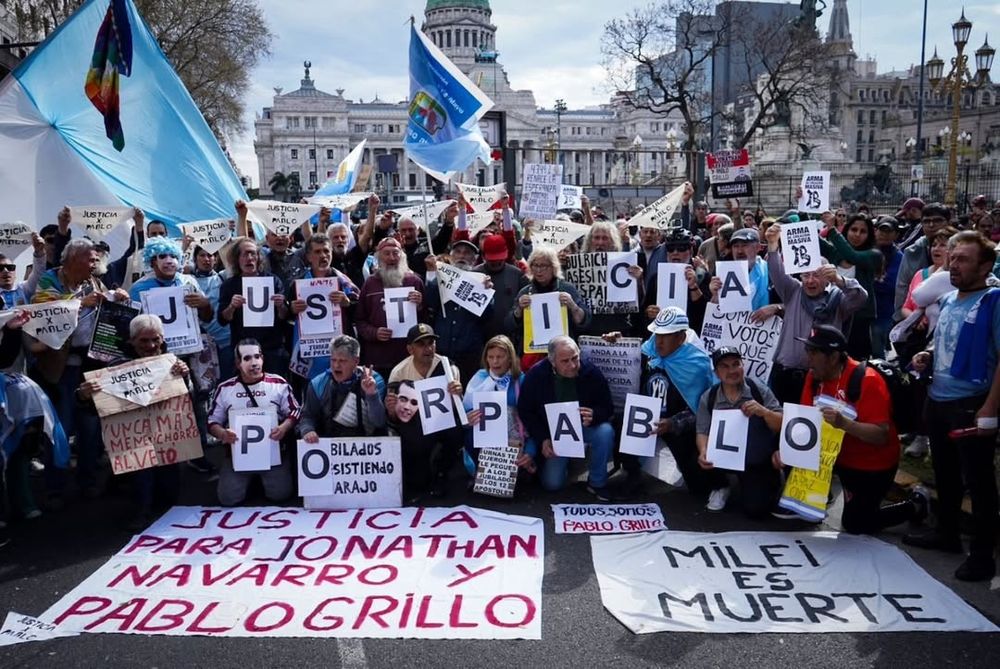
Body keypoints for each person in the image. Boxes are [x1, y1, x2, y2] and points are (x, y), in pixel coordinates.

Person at [904, 231, 1000, 582]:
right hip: (938, 399)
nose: (953, 265)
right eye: (952, 258)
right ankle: (946, 533)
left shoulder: (994, 301)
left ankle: (982, 554)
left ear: (985, 266)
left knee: (979, 481)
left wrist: (990, 407)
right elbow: (944, 342)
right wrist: (926, 355)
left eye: (963, 260)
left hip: (972, 404)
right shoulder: (946, 300)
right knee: (944, 473)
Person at [791, 325, 927, 535]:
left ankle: (916, 505)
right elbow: (805, 421)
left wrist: (845, 424)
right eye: (808, 351)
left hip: (871, 464)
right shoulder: (813, 378)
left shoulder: (868, 381)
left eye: (814, 352)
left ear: (834, 357)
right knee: (802, 507)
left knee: (856, 523)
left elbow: (881, 435)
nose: (808, 358)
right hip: (837, 459)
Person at [76, 314, 191, 529]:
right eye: (143, 341)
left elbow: (187, 399)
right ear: (131, 341)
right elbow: (94, 408)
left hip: (166, 436)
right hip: (135, 440)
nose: (150, 345)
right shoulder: (116, 368)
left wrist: (184, 376)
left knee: (169, 497)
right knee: (142, 475)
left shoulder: (171, 363)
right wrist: (84, 395)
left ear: (163, 339)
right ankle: (140, 509)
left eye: (155, 340)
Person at [764, 222, 868, 403]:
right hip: (785, 374)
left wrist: (840, 280)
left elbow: (861, 297)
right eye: (805, 275)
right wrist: (773, 245)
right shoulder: (793, 291)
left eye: (816, 275)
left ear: (827, 277)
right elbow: (776, 272)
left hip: (820, 378)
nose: (810, 280)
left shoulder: (838, 299)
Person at [623, 306, 720, 499]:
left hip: (678, 425)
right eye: (657, 334)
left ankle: (713, 483)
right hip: (645, 417)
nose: (658, 341)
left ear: (680, 336)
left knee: (699, 489)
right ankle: (632, 476)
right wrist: (616, 341)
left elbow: (701, 412)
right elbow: (625, 359)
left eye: (665, 335)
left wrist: (673, 424)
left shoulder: (696, 363)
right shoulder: (649, 348)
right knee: (618, 427)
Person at [517, 335, 616, 499]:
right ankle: (567, 463)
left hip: (583, 427)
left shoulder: (591, 372)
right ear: (552, 361)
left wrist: (595, 415)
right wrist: (542, 439)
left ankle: (597, 483)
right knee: (552, 484)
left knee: (605, 431)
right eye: (565, 361)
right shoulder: (536, 375)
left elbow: (607, 406)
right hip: (553, 434)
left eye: (575, 358)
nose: (572, 365)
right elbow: (526, 410)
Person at [207, 339, 300, 507]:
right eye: (247, 358)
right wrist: (222, 434)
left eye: (257, 357)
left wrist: (284, 427)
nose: (254, 363)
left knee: (280, 495)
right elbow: (212, 421)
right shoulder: (225, 388)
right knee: (228, 499)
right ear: (237, 363)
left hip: (273, 453)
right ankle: (249, 482)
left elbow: (295, 411)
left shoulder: (278, 384)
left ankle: (262, 480)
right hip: (238, 456)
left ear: (263, 358)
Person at [695, 346, 783, 516]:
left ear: (743, 366)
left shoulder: (758, 389)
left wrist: (764, 412)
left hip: (755, 460)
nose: (732, 370)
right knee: (695, 458)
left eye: (736, 364)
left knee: (757, 510)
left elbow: (781, 424)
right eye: (725, 366)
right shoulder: (709, 397)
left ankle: (771, 481)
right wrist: (703, 451)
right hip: (723, 459)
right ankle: (721, 485)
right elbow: (702, 431)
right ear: (716, 373)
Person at [462, 335, 537, 482]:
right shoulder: (479, 378)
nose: (495, 361)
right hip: (486, 438)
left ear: (510, 358)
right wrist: (468, 417)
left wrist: (530, 451)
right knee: (470, 436)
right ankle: (480, 474)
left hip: (515, 439)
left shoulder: (521, 380)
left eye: (500, 357)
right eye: (491, 357)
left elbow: (533, 418)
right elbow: (465, 412)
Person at [507, 247, 591, 369]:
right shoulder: (525, 292)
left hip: (563, 353)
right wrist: (519, 310)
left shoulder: (567, 288)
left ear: (553, 267)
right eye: (535, 265)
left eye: (544, 266)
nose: (539, 270)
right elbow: (509, 325)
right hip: (534, 355)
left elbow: (585, 322)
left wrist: (572, 306)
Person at [355, 237, 426, 381]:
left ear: (402, 256)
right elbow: (360, 320)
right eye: (386, 254)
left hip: (408, 358)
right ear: (378, 258)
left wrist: (420, 305)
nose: (392, 258)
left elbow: (427, 320)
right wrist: (374, 333)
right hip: (378, 358)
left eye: (395, 253)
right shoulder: (370, 283)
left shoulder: (415, 281)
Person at [217, 237, 289, 376]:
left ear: (258, 257)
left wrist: (281, 306)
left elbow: (284, 316)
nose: (249, 258)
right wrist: (232, 307)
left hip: (272, 349)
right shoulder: (229, 285)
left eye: (252, 253)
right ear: (237, 259)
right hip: (244, 350)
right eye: (244, 254)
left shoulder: (273, 281)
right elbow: (222, 319)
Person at [299, 335, 386, 440]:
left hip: (366, 443)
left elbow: (379, 422)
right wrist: (308, 430)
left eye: (342, 361)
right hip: (330, 442)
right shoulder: (317, 383)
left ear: (356, 361)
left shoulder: (374, 380)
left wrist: (372, 394)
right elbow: (307, 416)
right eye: (333, 360)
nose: (336, 366)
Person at [822, 214, 881, 359]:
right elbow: (812, 240)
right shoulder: (835, 253)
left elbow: (852, 255)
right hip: (834, 315)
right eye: (854, 229)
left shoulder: (874, 255)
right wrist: (804, 210)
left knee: (854, 360)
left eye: (863, 231)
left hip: (859, 318)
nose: (857, 235)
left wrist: (831, 230)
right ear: (847, 230)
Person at [386, 324, 463, 420]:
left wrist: (458, 394)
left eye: (431, 343)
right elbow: (393, 417)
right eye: (421, 344)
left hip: (444, 425)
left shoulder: (449, 368)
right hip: (413, 426)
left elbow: (458, 410)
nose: (428, 349)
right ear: (410, 349)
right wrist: (392, 408)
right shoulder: (398, 373)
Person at [472, 233, 529, 341]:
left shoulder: (517, 275)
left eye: (499, 259)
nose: (496, 263)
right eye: (492, 260)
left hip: (511, 338)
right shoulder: (474, 275)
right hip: (480, 339)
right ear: (483, 256)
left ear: (506, 255)